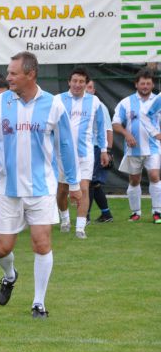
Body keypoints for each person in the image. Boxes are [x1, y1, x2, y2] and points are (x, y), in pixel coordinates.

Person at [0, 51, 81, 319]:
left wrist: (74, 182)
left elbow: (66, 145)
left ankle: (38, 302)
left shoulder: (54, 105)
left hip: (41, 189)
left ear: (30, 74)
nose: (7, 77)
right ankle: (10, 276)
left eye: (13, 73)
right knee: (1, 248)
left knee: (41, 242)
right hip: (6, 189)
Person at [55, 67, 109, 239]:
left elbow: (100, 128)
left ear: (86, 84)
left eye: (81, 82)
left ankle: (80, 227)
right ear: (69, 82)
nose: (77, 85)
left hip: (85, 153)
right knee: (63, 189)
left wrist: (103, 150)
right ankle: (64, 220)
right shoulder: (57, 100)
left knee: (84, 188)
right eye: (75, 81)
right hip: (62, 154)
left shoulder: (94, 102)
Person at [112, 68, 161, 223]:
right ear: (136, 84)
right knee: (134, 180)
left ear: (153, 85)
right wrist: (127, 134)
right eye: (142, 83)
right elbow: (115, 123)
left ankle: (157, 212)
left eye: (148, 83)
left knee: (154, 176)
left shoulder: (158, 101)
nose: (145, 86)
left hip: (153, 147)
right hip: (133, 149)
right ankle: (136, 212)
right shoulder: (126, 102)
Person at [85, 79, 114, 223]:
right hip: (83, 148)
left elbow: (108, 129)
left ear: (94, 90)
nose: (86, 90)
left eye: (89, 87)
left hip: (96, 148)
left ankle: (85, 216)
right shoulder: (78, 105)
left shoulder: (99, 106)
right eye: (85, 87)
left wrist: (107, 151)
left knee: (89, 183)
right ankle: (106, 214)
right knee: (94, 183)